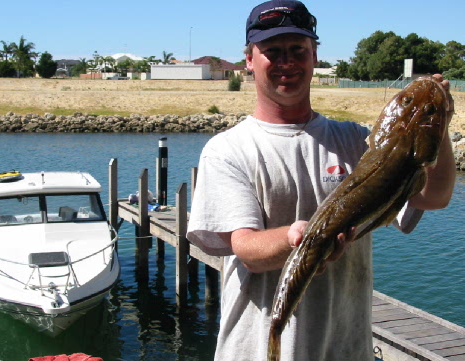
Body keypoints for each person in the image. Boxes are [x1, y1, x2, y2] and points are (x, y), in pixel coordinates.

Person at [186, 0, 456, 360]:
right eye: (272, 51)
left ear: (314, 55)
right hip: (254, 351)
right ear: (249, 60)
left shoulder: (358, 141)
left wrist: (439, 124)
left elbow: (434, 197)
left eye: (298, 49)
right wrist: (297, 237)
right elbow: (247, 250)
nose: (287, 62)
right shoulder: (228, 150)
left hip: (346, 349)